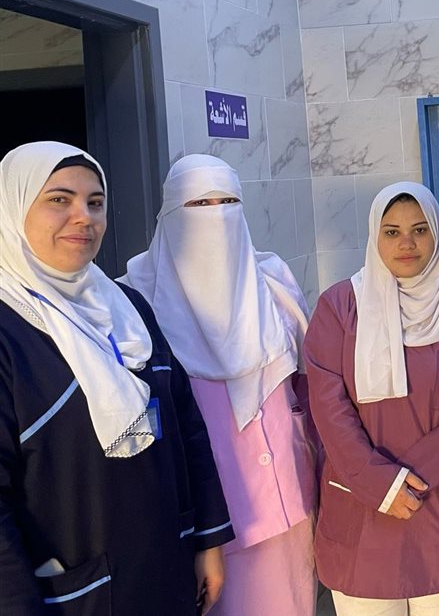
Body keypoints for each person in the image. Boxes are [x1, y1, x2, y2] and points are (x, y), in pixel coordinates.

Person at [0, 141, 232, 614]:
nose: (83, 217)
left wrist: (207, 538)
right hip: (74, 593)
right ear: (13, 209)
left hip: (165, 570)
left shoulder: (127, 309)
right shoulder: (10, 332)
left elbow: (187, 426)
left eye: (95, 202)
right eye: (59, 199)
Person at [122, 154, 317, 616]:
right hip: (201, 526)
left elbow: (307, 389)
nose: (217, 215)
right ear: (171, 213)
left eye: (229, 202)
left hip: (287, 512)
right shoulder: (133, 301)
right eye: (200, 204)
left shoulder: (273, 284)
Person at [304, 182, 439, 615]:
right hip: (363, 507)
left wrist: (405, 483)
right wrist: (380, 484)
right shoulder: (339, 307)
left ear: (437, 233)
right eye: (391, 232)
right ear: (375, 236)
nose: (406, 243)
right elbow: (329, 409)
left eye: (419, 230)